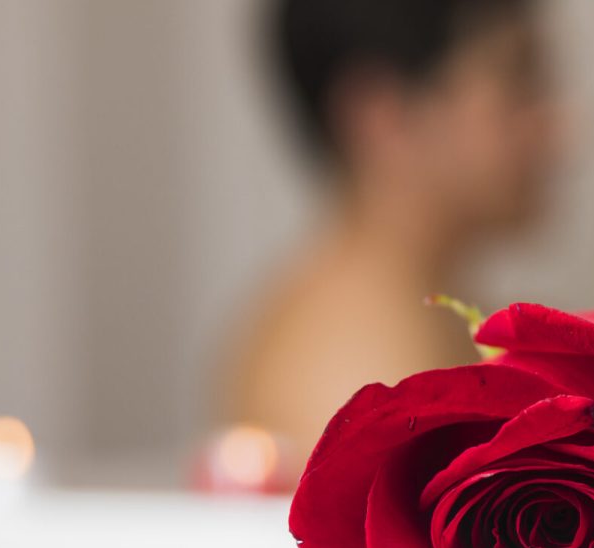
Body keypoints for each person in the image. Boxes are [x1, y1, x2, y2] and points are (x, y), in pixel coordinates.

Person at [227, 0, 561, 459]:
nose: (562, 127)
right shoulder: (353, 374)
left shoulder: (425, 327)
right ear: (384, 115)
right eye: (519, 83)